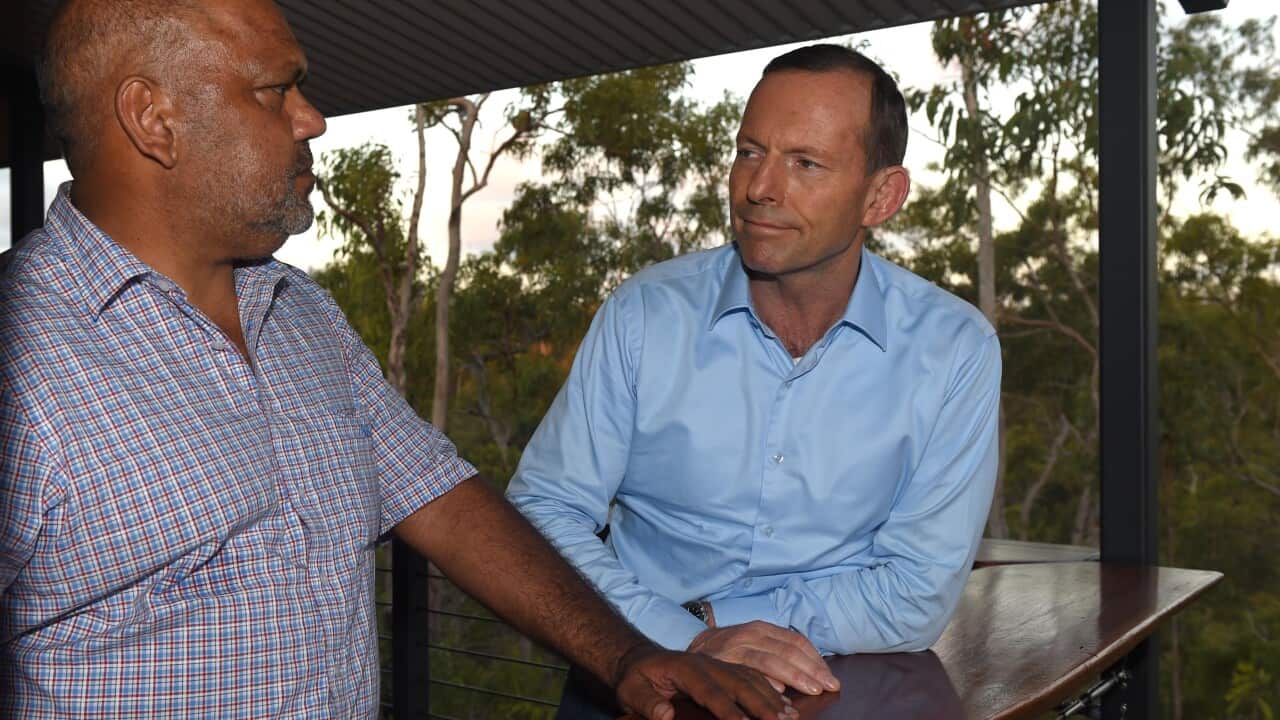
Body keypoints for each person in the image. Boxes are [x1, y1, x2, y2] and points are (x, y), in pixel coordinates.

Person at [0, 1, 794, 718]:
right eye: (275, 91)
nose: (312, 119)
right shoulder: (24, 357)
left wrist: (626, 657)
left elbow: (440, 498)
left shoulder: (301, 312)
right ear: (153, 118)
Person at [507, 43, 1002, 715]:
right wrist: (678, 635)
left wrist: (713, 621)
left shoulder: (953, 349)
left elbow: (917, 590)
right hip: (630, 681)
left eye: (804, 163)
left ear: (881, 196)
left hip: (830, 692)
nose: (759, 187)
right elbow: (543, 510)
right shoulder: (647, 314)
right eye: (749, 152)